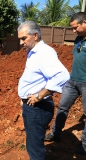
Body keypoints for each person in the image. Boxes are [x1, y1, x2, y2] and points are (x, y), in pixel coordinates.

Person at [17, 20, 70, 160]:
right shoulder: (33, 51)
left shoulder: (43, 53)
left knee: (34, 148)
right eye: (20, 39)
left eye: (24, 38)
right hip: (33, 106)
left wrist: (38, 96)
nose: (21, 43)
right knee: (33, 143)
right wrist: (24, 98)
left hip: (38, 107)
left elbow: (62, 75)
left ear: (35, 35)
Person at [44, 12, 86, 155]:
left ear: (85, 22)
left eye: (75, 27)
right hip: (72, 81)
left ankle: (85, 144)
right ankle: (55, 134)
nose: (73, 31)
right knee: (62, 107)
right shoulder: (78, 39)